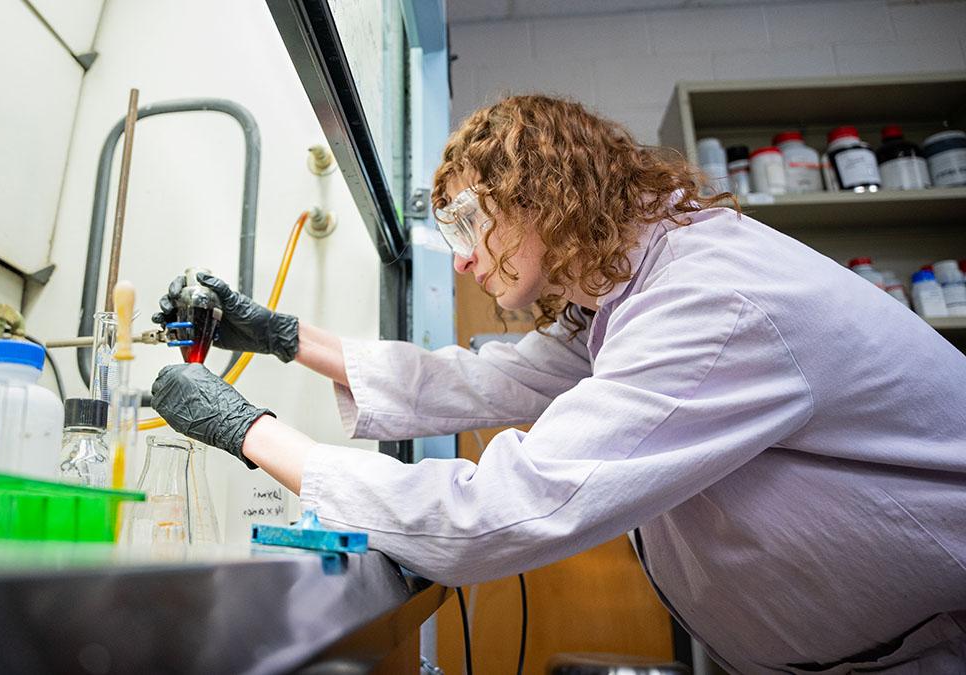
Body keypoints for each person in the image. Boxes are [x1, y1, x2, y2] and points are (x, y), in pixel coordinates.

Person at [150, 95, 966, 672]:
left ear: (543, 191)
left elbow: (496, 513)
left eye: (470, 223)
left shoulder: (708, 300)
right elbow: (484, 380)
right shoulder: (627, 287)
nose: (464, 259)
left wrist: (247, 429)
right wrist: (290, 339)